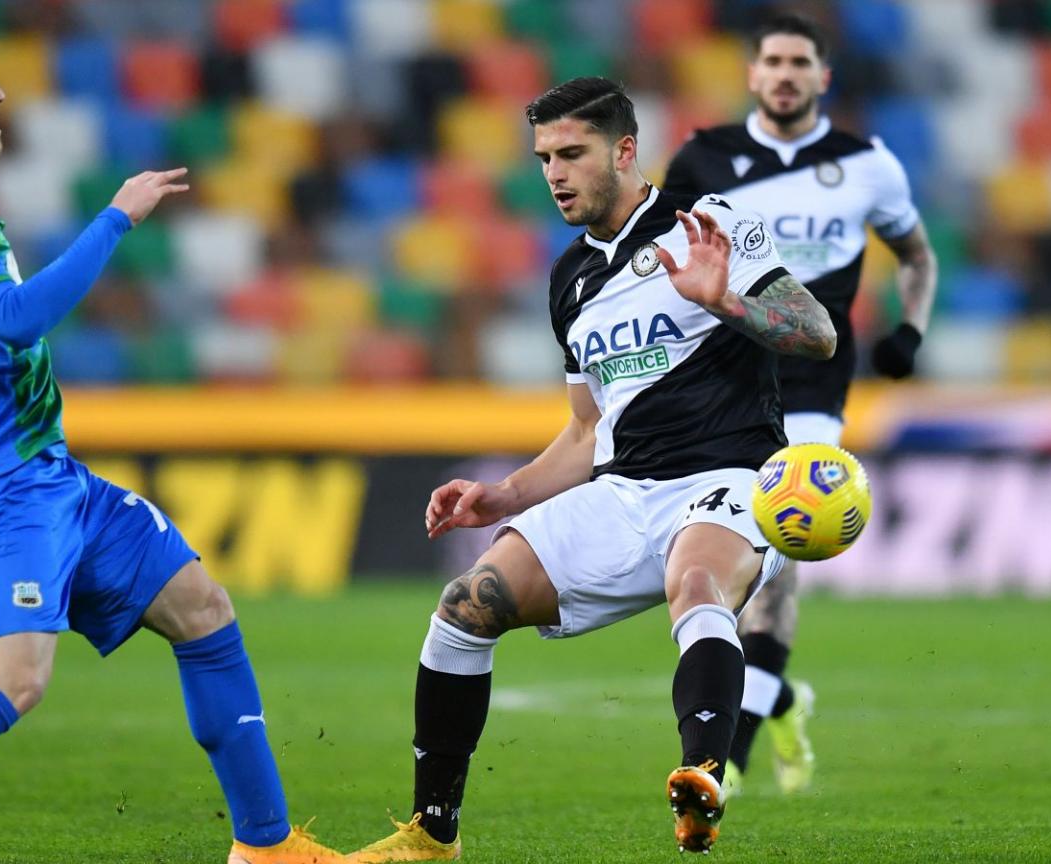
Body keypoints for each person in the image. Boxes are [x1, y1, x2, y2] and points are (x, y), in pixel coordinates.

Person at [0, 14, 342, 864]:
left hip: (48, 479)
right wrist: (115, 217)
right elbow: (14, 318)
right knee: (14, 681)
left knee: (203, 610)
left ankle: (265, 849)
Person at [349, 77, 835, 860]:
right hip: (625, 490)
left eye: (572, 153)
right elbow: (585, 429)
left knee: (698, 582)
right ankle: (431, 835)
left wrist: (728, 304)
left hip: (732, 479)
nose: (555, 174)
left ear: (625, 150)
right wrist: (502, 494)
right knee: (466, 606)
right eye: (544, 158)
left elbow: (816, 334)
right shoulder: (569, 278)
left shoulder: (707, 224)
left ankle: (702, 779)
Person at [662, 12, 939, 797]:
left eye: (800, 62)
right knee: (717, 573)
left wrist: (909, 332)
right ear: (752, 74)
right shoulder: (703, 159)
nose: (785, 74)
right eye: (772, 61)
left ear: (824, 77)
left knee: (775, 559)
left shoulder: (866, 165)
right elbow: (660, 263)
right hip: (715, 389)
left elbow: (916, 255)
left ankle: (733, 761)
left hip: (811, 391)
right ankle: (778, 697)